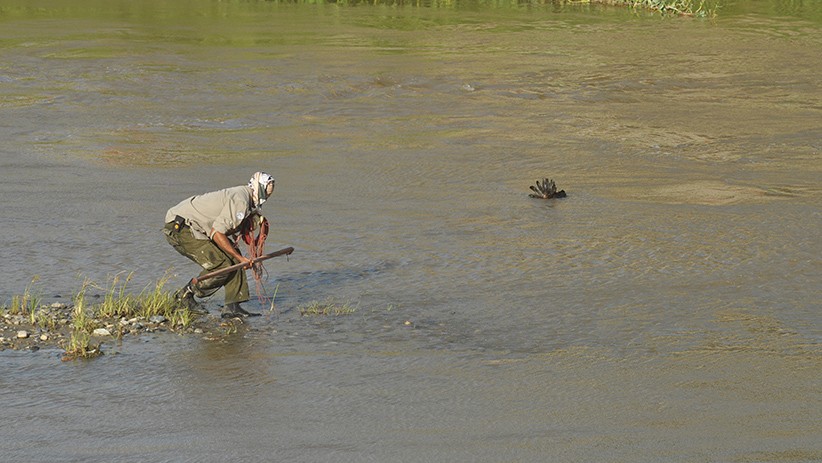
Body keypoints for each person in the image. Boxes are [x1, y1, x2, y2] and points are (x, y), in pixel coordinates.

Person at [163, 172, 275, 318]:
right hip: (180, 227)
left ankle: (233, 306)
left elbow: (222, 227)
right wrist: (241, 259)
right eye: (266, 193)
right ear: (259, 189)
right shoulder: (241, 200)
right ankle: (185, 295)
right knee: (222, 264)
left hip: (195, 226)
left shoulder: (244, 197)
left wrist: (238, 257)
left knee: (234, 260)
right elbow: (217, 232)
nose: (267, 197)